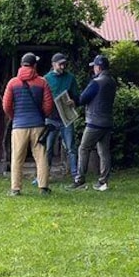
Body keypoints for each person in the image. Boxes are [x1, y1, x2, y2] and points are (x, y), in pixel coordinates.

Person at [2, 52, 54, 196]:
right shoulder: (42, 82)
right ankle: (43, 187)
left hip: (19, 126)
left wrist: (15, 117)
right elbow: (49, 104)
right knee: (41, 157)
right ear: (34, 65)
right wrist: (42, 116)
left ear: (22, 65)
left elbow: (6, 105)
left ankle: (16, 189)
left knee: (17, 158)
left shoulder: (13, 83)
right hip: (38, 125)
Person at [70, 54, 117, 191]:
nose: (93, 69)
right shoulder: (112, 81)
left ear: (99, 67)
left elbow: (82, 98)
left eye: (95, 67)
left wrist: (73, 101)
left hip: (94, 122)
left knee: (83, 148)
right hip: (107, 121)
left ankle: (80, 179)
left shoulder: (97, 82)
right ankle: (103, 181)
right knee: (104, 152)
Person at [40, 53, 80, 183]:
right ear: (53, 64)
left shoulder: (70, 78)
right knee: (48, 148)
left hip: (66, 118)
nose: (62, 66)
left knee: (71, 148)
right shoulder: (46, 79)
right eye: (60, 64)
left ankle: (75, 175)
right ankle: (43, 175)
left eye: (64, 64)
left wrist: (73, 102)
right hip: (51, 118)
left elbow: (77, 97)